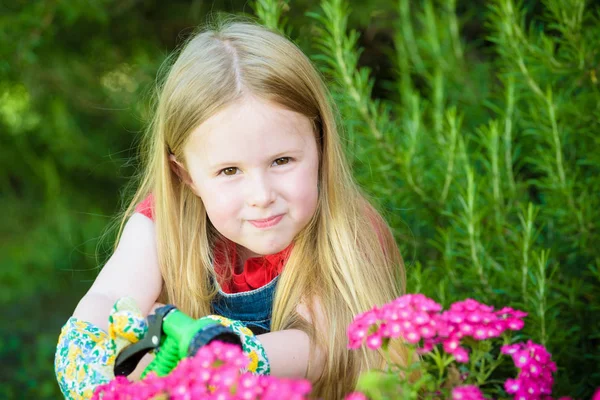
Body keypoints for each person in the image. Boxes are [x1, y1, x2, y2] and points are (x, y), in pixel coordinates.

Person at [54, 19, 408, 399]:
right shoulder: (161, 226)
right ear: (186, 175)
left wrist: (220, 356)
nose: (261, 195)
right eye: (229, 171)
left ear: (320, 145)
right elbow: (111, 299)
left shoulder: (347, 229)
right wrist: (87, 346)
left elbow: (323, 345)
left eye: (282, 161)